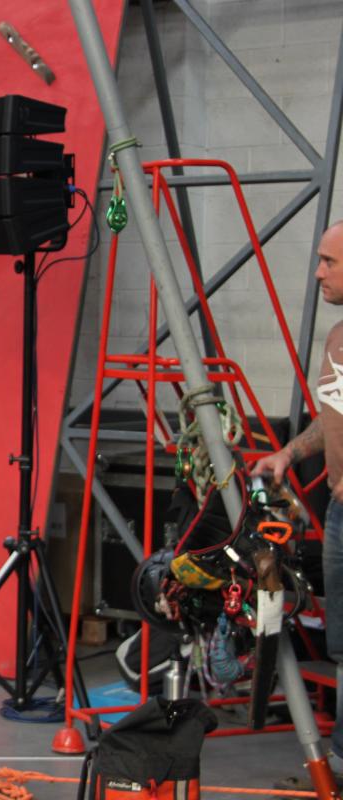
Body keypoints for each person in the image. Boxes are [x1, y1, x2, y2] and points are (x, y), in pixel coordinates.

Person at [251, 220, 343, 771]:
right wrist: (288, 454)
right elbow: (332, 421)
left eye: (330, 262)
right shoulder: (339, 340)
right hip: (339, 512)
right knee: (342, 647)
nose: (318, 273)